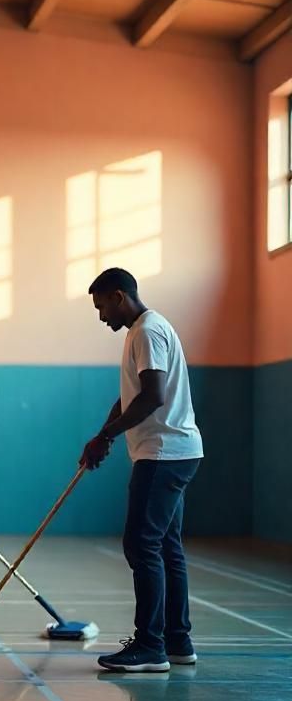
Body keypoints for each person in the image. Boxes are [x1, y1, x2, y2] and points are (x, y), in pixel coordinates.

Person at [80, 268, 203, 673]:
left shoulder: (148, 330)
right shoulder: (144, 330)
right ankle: (177, 641)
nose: (101, 317)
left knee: (141, 545)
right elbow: (131, 393)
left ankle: (150, 645)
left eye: (102, 307)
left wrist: (106, 437)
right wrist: (105, 434)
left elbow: (153, 395)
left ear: (119, 296)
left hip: (163, 453)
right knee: (166, 547)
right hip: (176, 451)